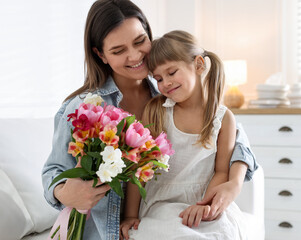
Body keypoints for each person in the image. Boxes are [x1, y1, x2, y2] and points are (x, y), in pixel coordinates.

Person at [42, 0, 257, 239]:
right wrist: (64, 192)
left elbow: (232, 135)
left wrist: (235, 181)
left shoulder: (168, 92)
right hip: (109, 230)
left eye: (139, 41)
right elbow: (54, 171)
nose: (134, 56)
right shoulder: (85, 108)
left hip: (161, 216)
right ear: (100, 54)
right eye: (118, 50)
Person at [121, 30, 249, 240]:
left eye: (172, 72)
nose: (166, 83)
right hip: (163, 204)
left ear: (198, 65)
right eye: (159, 78)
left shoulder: (223, 118)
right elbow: (139, 168)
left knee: (224, 233)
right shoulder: (157, 111)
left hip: (203, 201)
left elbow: (221, 171)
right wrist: (130, 215)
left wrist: (204, 206)